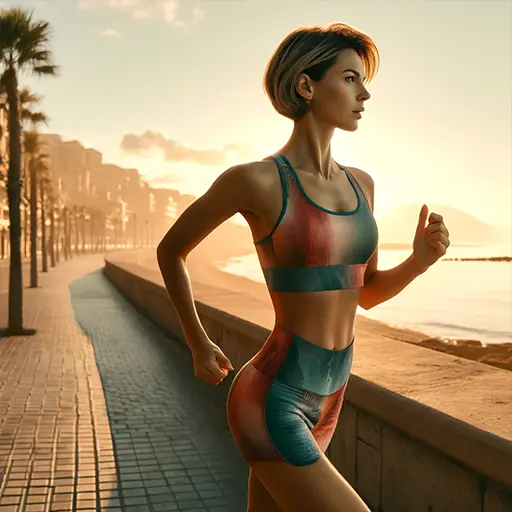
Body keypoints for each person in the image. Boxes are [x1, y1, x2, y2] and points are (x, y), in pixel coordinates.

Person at [157, 22, 451, 512]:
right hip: (274, 400)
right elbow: (171, 250)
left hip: (332, 399)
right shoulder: (254, 181)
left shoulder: (363, 186)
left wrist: (418, 263)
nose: (366, 93)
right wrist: (197, 341)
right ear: (306, 85)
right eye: (351, 78)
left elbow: (365, 293)